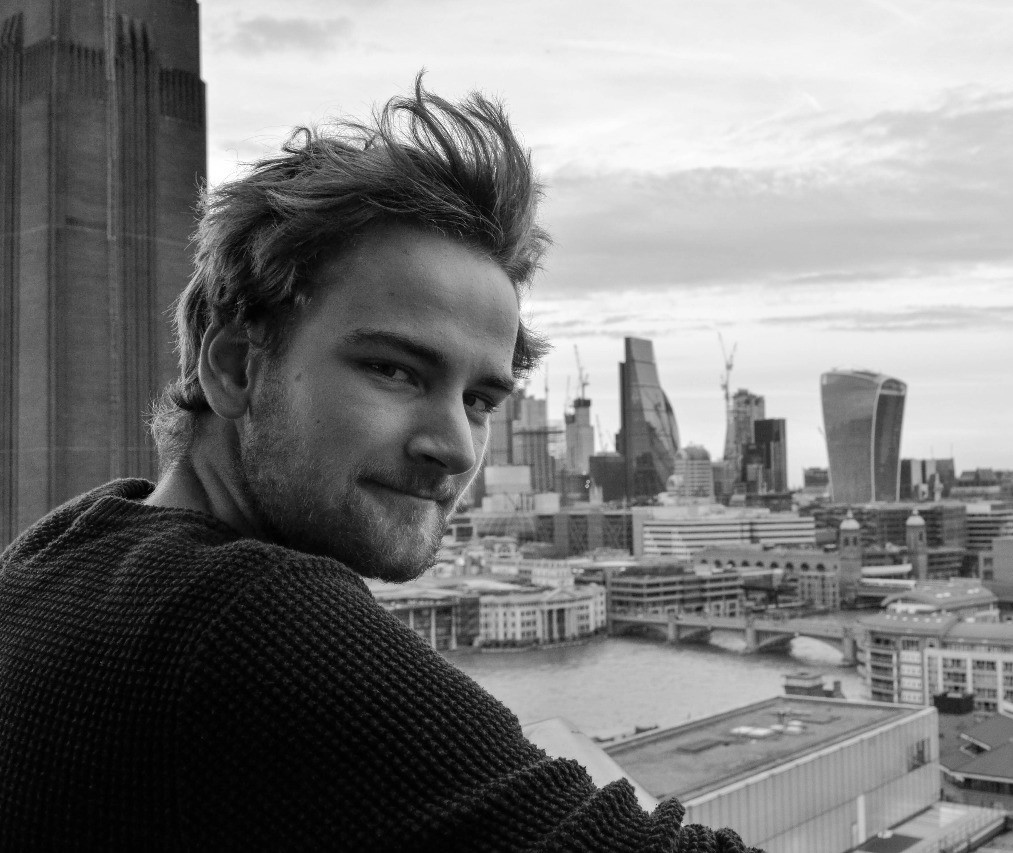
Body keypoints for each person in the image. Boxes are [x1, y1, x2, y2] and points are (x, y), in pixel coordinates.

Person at [0, 78, 762, 852]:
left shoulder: (60, 549)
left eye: (480, 399)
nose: (454, 446)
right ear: (234, 366)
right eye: (395, 370)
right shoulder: (260, 619)